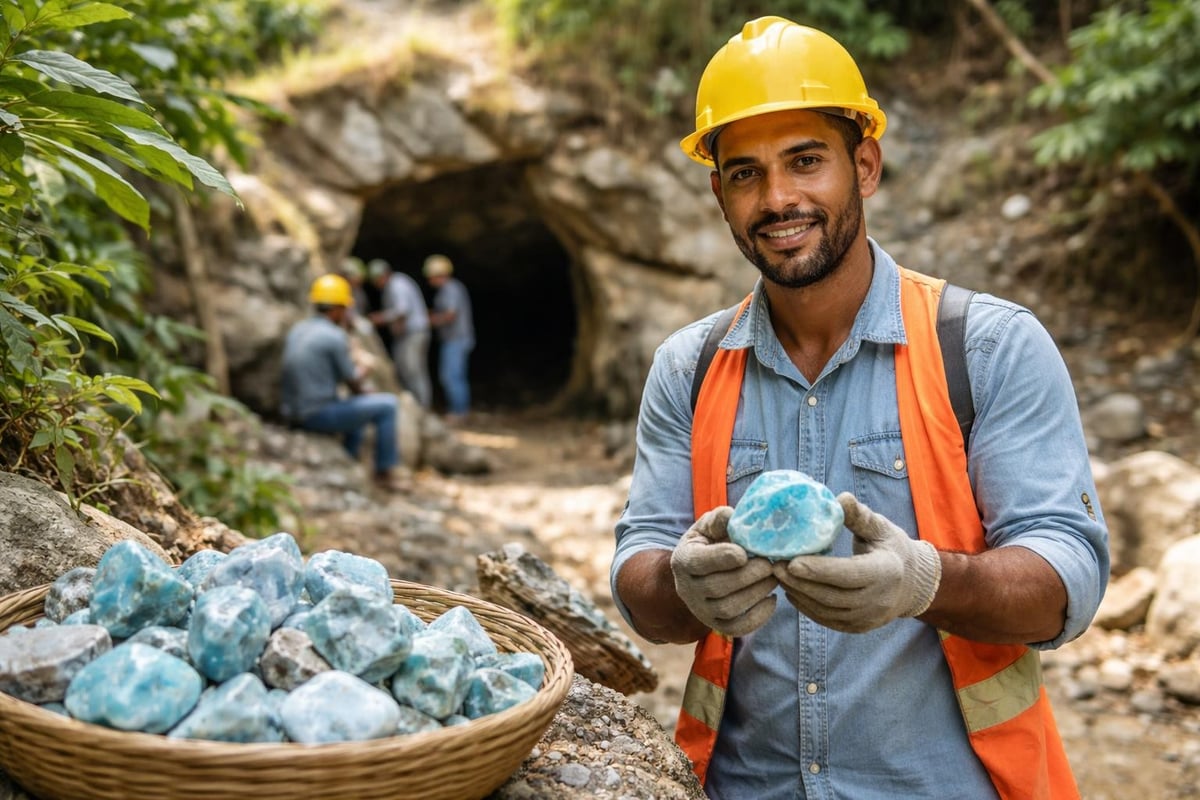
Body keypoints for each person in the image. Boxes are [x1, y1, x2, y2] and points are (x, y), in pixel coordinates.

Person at [610, 17, 1108, 800]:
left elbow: (1067, 577)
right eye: (745, 174)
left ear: (865, 165)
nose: (778, 199)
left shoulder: (984, 348)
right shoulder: (690, 367)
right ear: (719, 193)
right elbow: (639, 572)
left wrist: (925, 581)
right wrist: (682, 584)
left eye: (806, 162)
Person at [279, 274, 407, 491]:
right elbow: (353, 383)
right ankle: (385, 472)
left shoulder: (298, 329)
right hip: (315, 413)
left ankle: (349, 462)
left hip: (291, 411)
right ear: (337, 308)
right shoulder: (334, 335)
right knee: (388, 405)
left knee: (355, 413)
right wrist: (367, 366)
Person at [366, 258, 433, 408]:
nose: (377, 284)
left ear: (383, 275)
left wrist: (380, 318)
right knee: (406, 368)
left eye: (377, 279)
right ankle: (415, 403)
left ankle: (421, 406)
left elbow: (402, 311)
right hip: (408, 334)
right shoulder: (394, 285)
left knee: (413, 369)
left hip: (413, 333)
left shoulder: (397, 284)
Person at [424, 254, 475, 424]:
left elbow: (450, 315)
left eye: (431, 276)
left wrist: (431, 320)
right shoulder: (450, 289)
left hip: (456, 339)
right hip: (455, 339)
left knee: (451, 376)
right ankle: (460, 410)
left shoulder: (450, 289)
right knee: (454, 375)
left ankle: (459, 412)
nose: (429, 280)